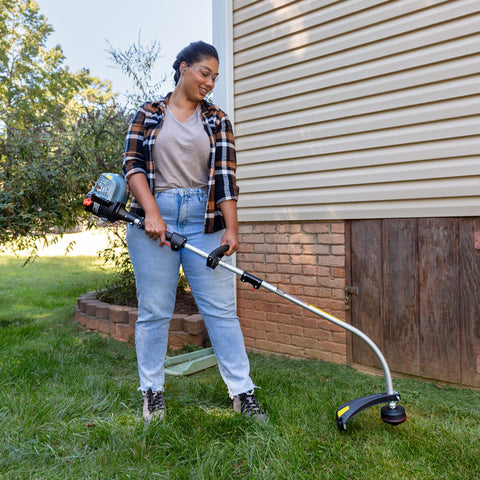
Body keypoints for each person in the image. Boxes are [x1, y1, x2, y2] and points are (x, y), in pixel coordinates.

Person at [122, 41, 267, 422]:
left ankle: (243, 393)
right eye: (204, 72)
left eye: (214, 77)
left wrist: (231, 229)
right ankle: (152, 392)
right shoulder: (149, 113)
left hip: (205, 223)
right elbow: (132, 165)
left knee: (222, 312)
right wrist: (152, 212)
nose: (209, 82)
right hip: (155, 221)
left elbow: (225, 179)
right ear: (183, 68)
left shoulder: (217, 120)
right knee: (154, 311)